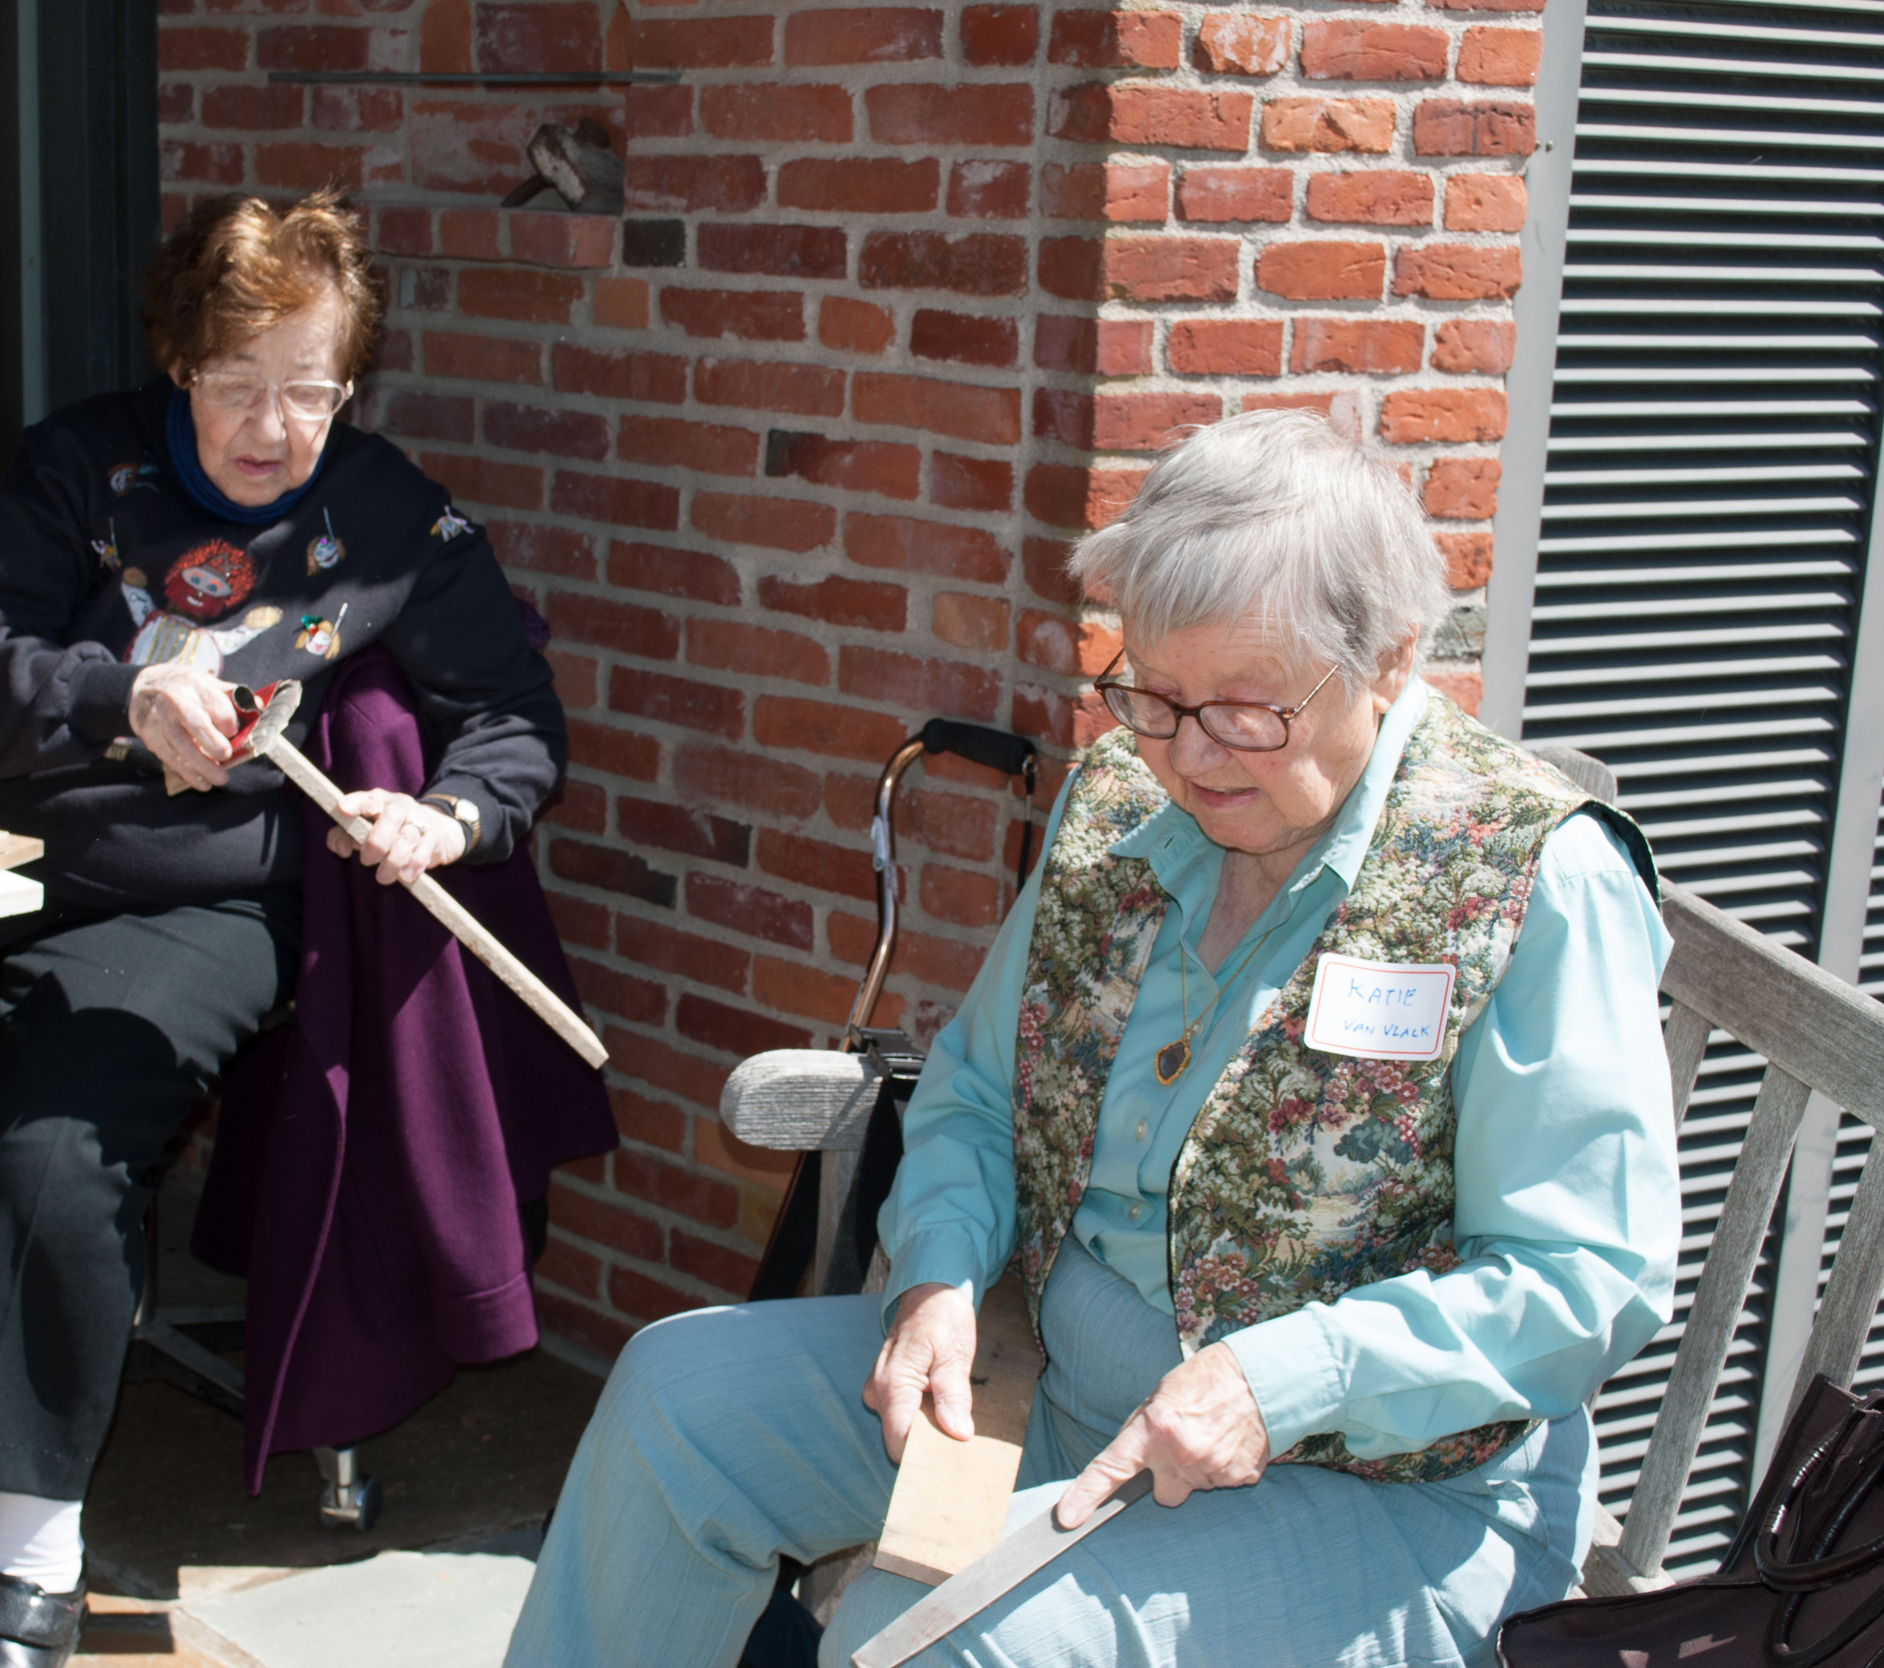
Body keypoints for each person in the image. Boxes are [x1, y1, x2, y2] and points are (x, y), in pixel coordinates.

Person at [505, 410, 1680, 1668]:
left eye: (1244, 711)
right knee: (676, 1408)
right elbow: (971, 1092)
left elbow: (1581, 1280)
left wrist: (1276, 1381)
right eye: (1155, 696)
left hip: (1377, 1490)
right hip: (1051, 1379)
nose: (1185, 755)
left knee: (932, 1641)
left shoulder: (1526, 878)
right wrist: (939, 1279)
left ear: (1389, 660)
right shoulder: (1117, 799)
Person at [0, 189, 571, 1668]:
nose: (269, 424)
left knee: (57, 1153)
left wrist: (447, 816)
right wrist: (117, 698)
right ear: (178, 360)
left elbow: (507, 712)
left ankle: (30, 1553)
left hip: (193, 891)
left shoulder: (389, 515)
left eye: (307, 389)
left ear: (351, 382)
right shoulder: (86, 464)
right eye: (235, 382)